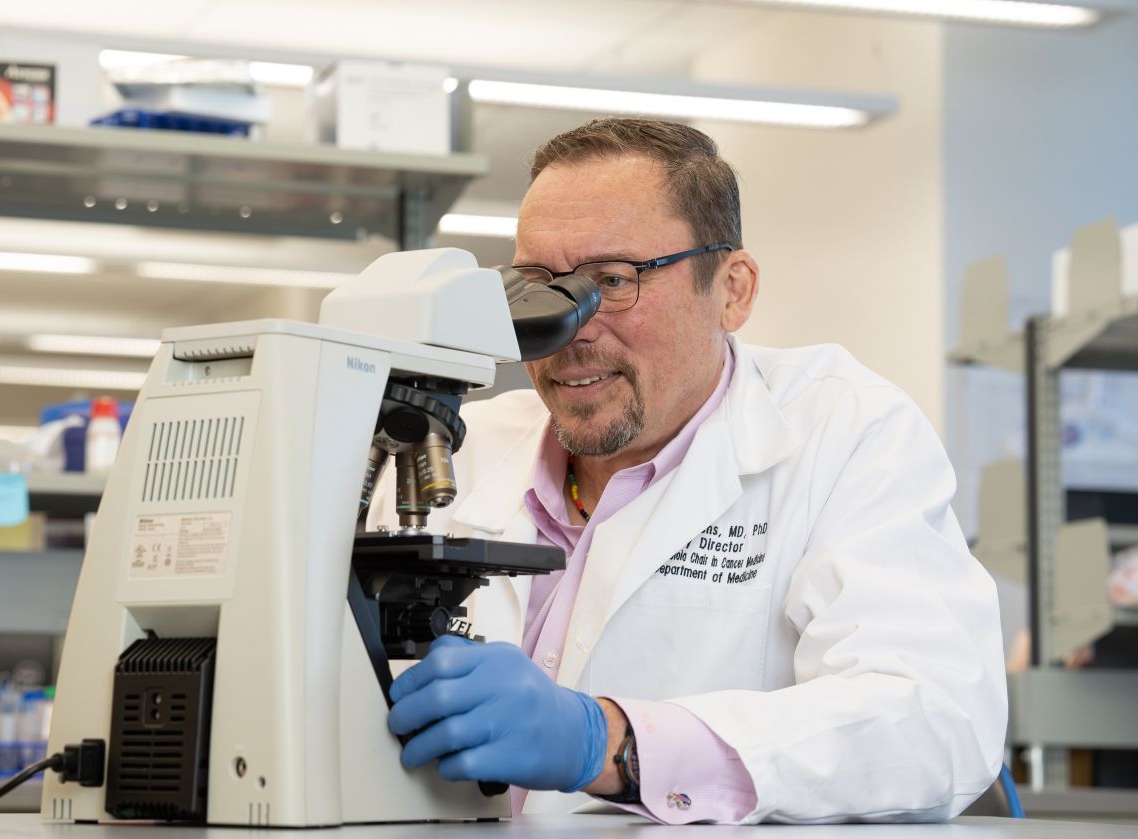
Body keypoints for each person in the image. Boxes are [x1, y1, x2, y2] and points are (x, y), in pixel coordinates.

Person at [369, 118, 1007, 824]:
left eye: (612, 281)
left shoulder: (843, 431)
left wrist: (610, 742)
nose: (567, 328)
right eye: (536, 284)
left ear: (732, 289)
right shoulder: (452, 449)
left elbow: (932, 721)